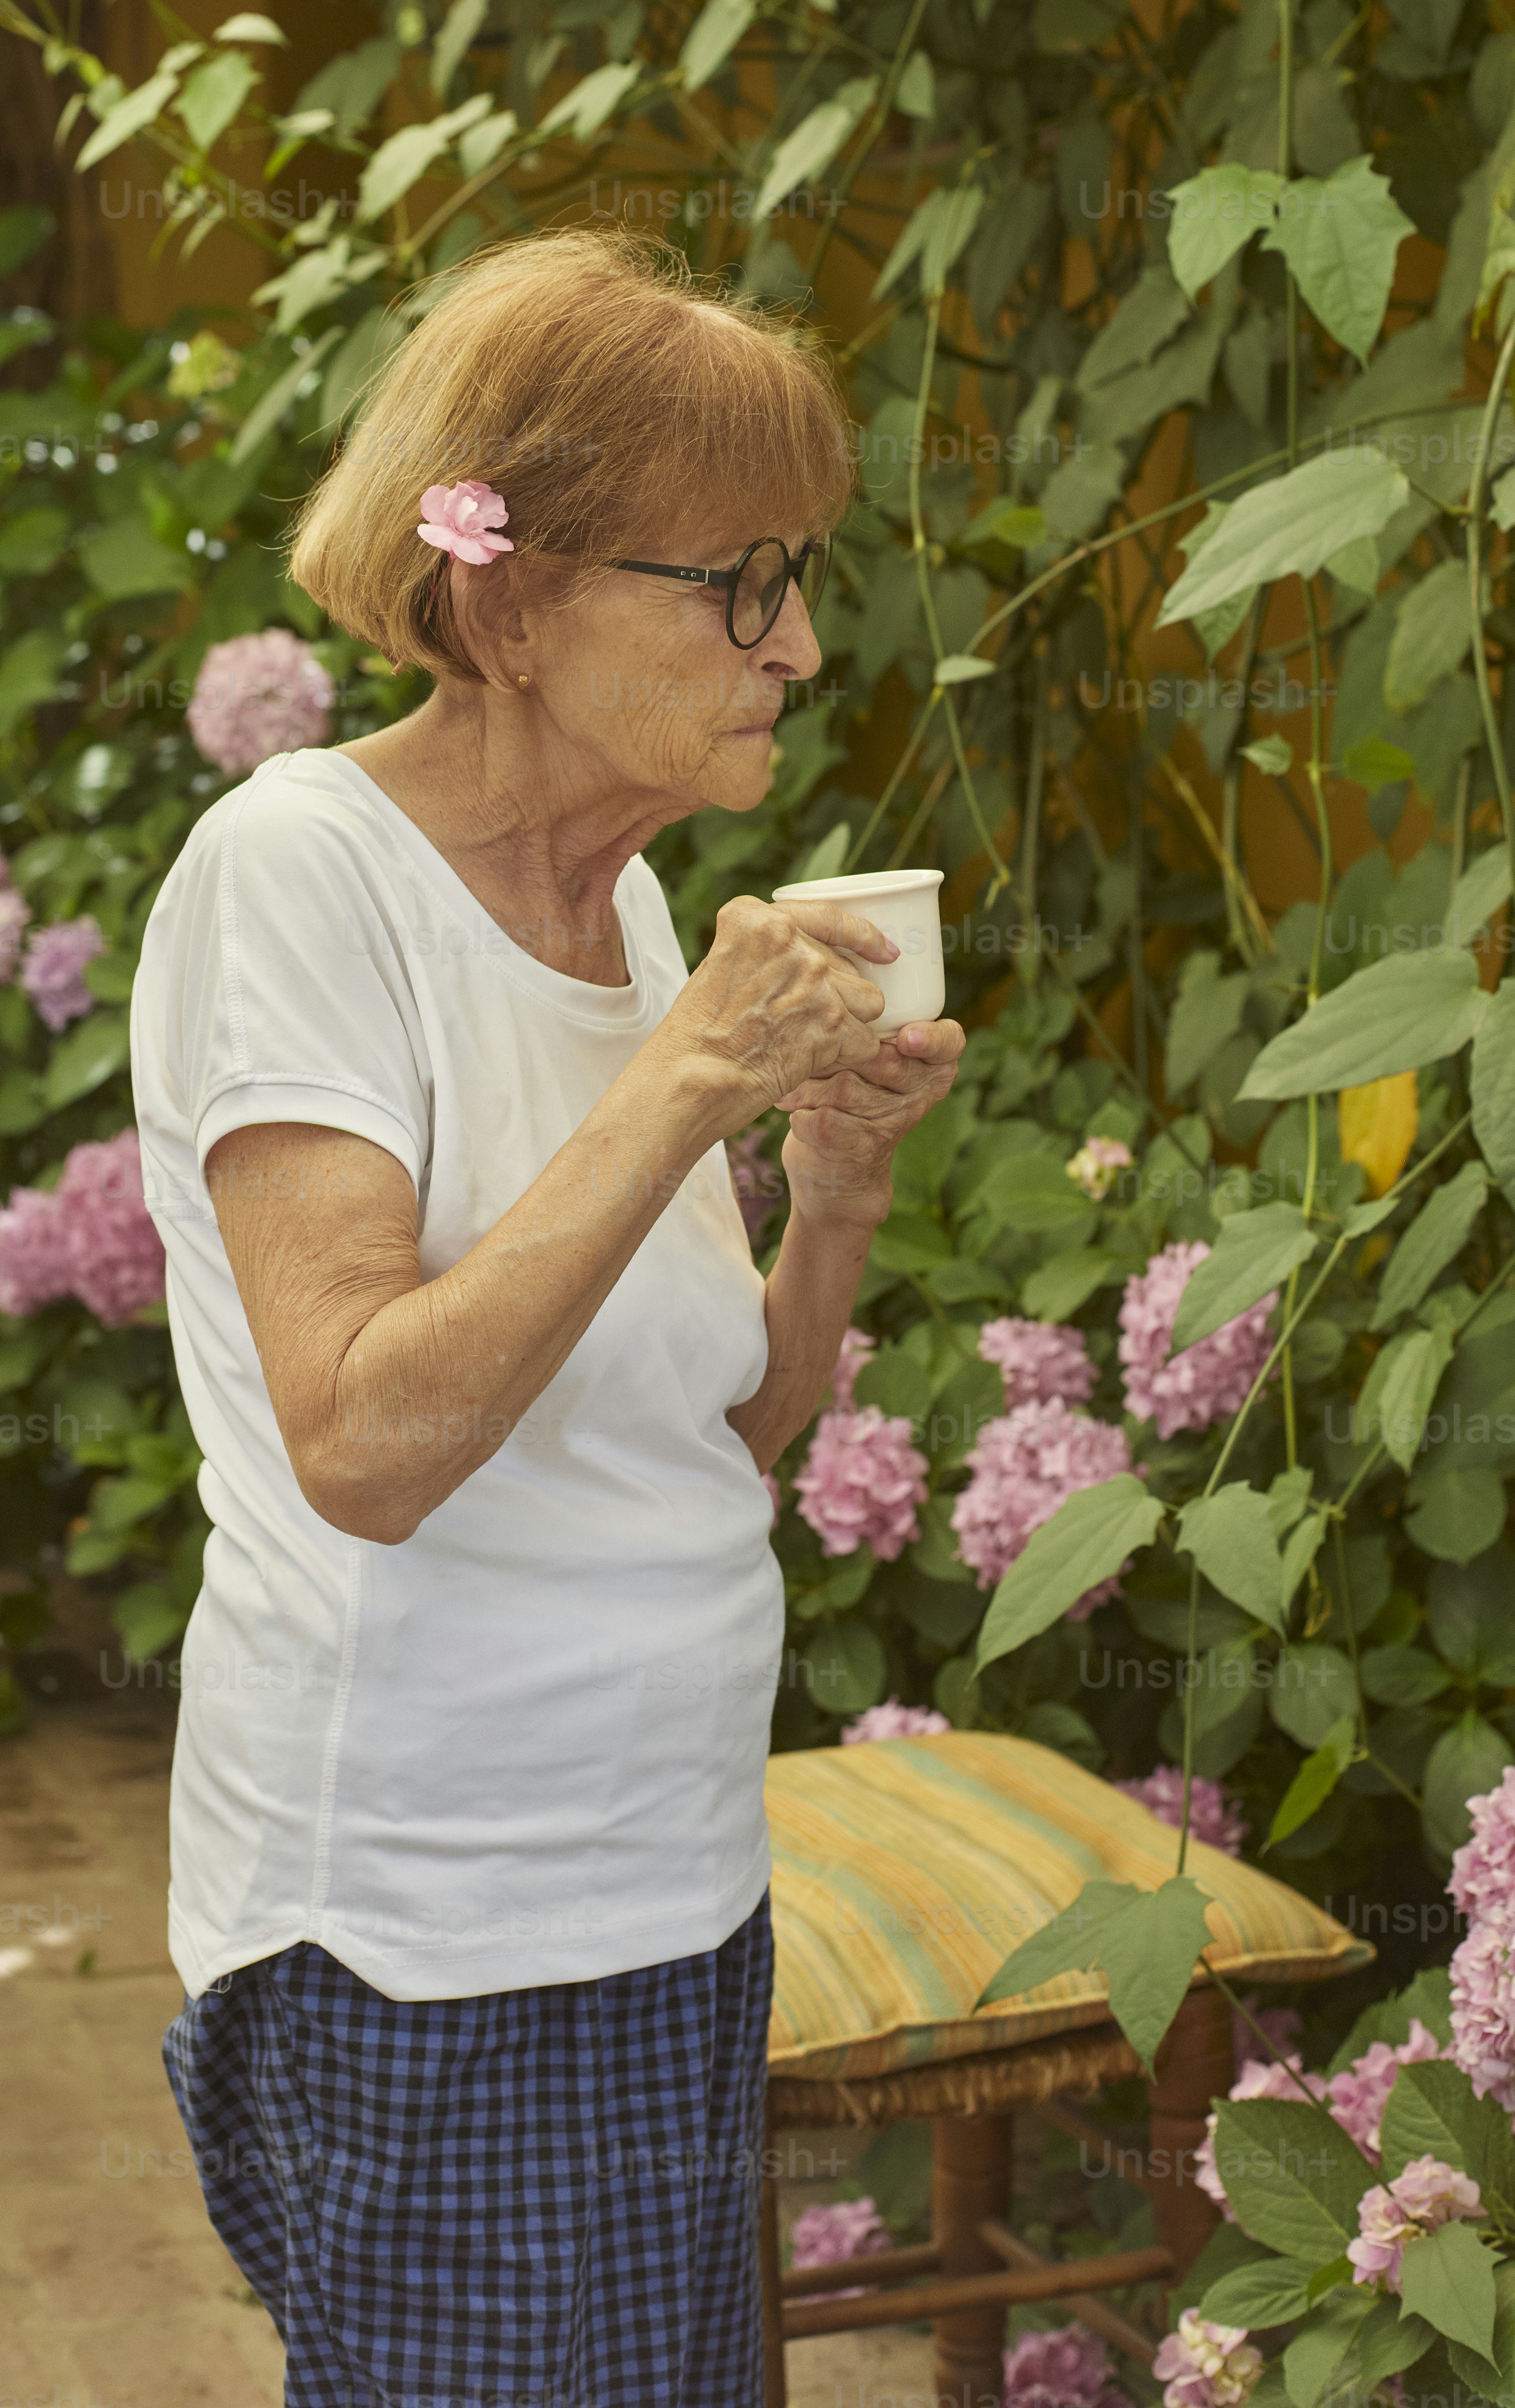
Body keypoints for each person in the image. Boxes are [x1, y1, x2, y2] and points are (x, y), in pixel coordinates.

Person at [130, 225, 965, 2407]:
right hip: (423, 1945)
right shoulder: (301, 876)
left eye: (798, 577)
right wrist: (693, 1073)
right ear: (502, 599)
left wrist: (838, 1177)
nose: (795, 642)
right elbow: (368, 1443)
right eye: (737, 583)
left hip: (667, 1895)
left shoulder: (633, 913)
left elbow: (723, 1436)